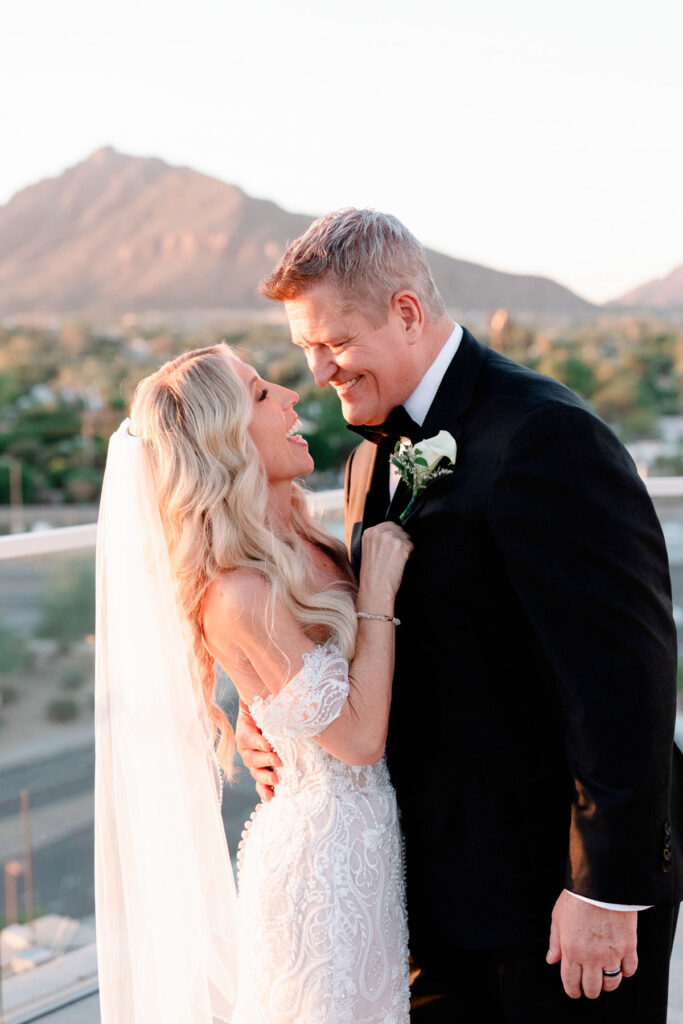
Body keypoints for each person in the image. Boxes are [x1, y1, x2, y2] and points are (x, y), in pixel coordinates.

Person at [237, 209, 683, 1022]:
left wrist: (606, 890)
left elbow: (626, 679)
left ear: (405, 311)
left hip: (548, 901)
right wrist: (272, 703)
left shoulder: (545, 436)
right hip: (427, 890)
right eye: (304, 347)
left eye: (332, 341)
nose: (317, 369)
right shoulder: (370, 449)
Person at [93, 344, 414, 1023]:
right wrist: (378, 589)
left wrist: (261, 708)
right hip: (321, 872)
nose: (292, 396)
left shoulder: (300, 537)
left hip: (365, 845)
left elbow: (298, 683)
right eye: (262, 394)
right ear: (223, 440)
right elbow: (355, 740)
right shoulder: (236, 591)